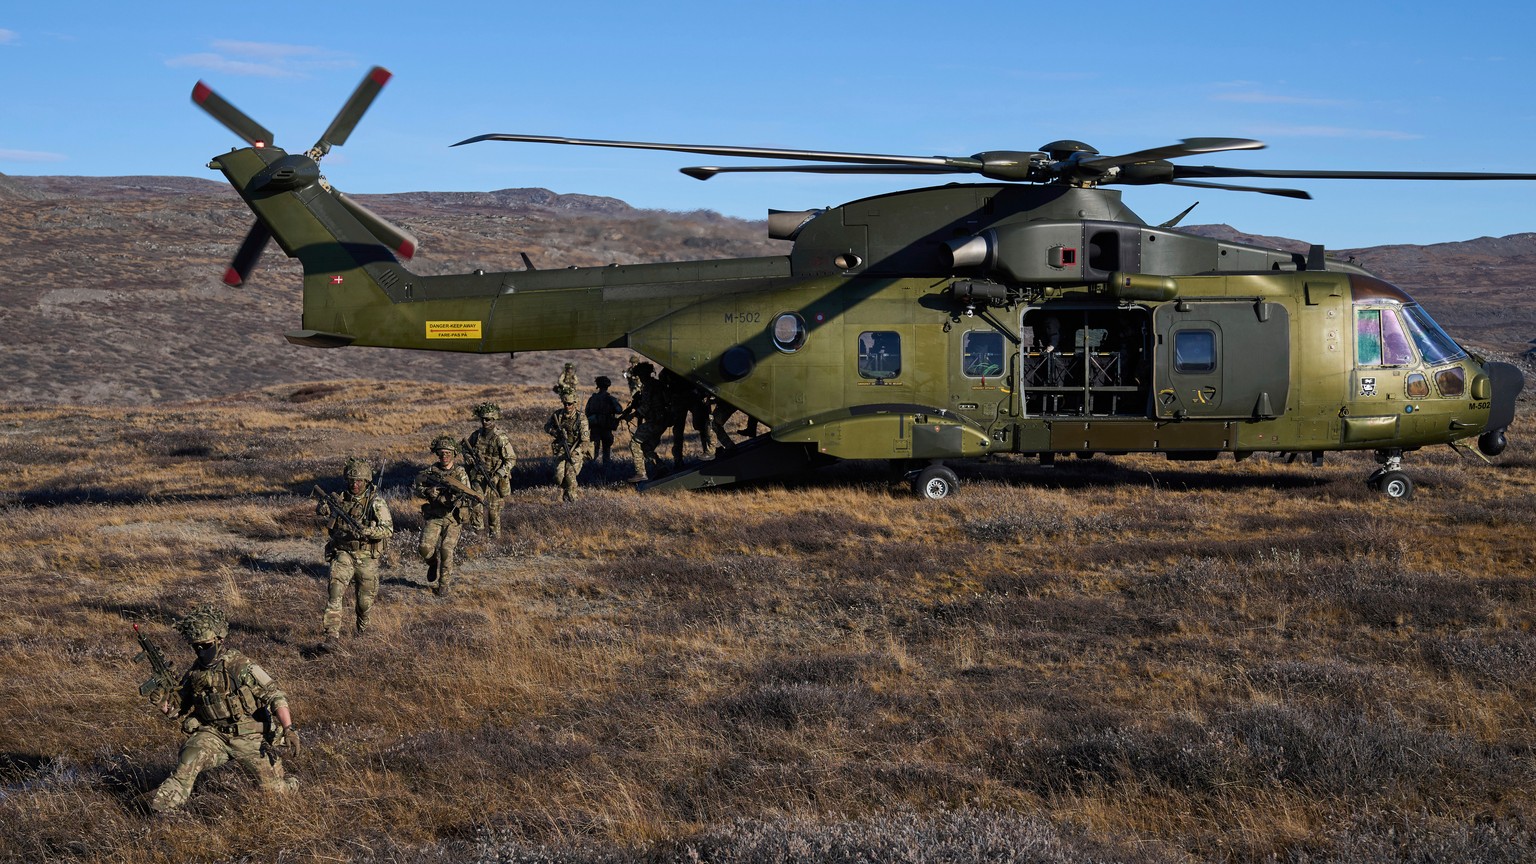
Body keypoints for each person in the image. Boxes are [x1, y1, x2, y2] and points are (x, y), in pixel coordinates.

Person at [148, 605, 298, 813]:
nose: (201, 651)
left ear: (219, 640)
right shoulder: (195, 673)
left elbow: (276, 696)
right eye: (196, 647)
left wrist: (289, 729)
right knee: (188, 760)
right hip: (214, 735)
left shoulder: (240, 666)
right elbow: (177, 710)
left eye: (205, 645)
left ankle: (290, 785)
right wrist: (162, 703)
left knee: (274, 795)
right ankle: (162, 810)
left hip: (249, 737)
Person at [314, 457, 393, 646]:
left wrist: (367, 531)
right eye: (351, 481)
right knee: (335, 591)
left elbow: (388, 530)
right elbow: (322, 510)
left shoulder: (376, 503)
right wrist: (324, 507)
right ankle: (331, 636)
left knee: (364, 603)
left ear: (366, 481)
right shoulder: (339, 499)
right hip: (343, 552)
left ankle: (363, 630)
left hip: (367, 557)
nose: (355, 484)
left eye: (359, 481)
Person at [412, 435, 479, 595]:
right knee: (424, 548)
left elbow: (466, 494)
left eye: (448, 453)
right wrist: (428, 491)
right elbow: (417, 487)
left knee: (446, 550)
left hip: (453, 517)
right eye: (441, 453)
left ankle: (443, 585)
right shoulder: (430, 472)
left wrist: (452, 498)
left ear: (454, 454)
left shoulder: (460, 474)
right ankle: (433, 563)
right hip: (434, 516)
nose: (444, 456)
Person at [464, 402, 517, 538]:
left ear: (494, 420)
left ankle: (495, 537)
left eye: (488, 419)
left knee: (494, 510)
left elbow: (511, 459)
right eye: (482, 419)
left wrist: (499, 475)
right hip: (479, 476)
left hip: (495, 478)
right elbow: (465, 449)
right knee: (475, 503)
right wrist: (468, 457)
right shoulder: (476, 435)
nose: (484, 422)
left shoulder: (500, 438)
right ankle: (477, 534)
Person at [617, 362, 665, 481]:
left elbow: (646, 407)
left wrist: (633, 415)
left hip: (654, 421)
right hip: (661, 420)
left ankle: (641, 473)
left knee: (634, 443)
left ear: (643, 375)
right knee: (646, 447)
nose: (639, 378)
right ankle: (661, 468)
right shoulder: (656, 384)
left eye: (640, 376)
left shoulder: (649, 386)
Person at [545, 386, 591, 501]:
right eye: (565, 403)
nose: (567, 406)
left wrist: (577, 452)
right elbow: (547, 426)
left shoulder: (581, 418)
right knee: (558, 477)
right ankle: (567, 495)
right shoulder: (558, 415)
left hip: (576, 450)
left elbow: (585, 441)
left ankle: (573, 500)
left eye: (569, 404)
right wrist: (555, 432)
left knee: (570, 476)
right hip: (561, 448)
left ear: (574, 403)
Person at [584, 376, 624, 466]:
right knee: (606, 452)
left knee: (593, 451)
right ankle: (606, 469)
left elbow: (587, 412)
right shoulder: (611, 399)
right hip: (606, 428)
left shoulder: (592, 398)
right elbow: (619, 410)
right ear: (607, 386)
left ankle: (590, 469)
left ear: (598, 386)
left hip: (595, 428)